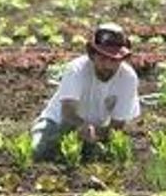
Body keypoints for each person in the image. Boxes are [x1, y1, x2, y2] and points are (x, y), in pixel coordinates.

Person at [31, 23, 141, 161]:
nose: (108, 65)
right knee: (38, 152)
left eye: (114, 60)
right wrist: (81, 126)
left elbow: (117, 125)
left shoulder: (128, 78)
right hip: (57, 122)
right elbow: (68, 112)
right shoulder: (76, 69)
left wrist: (96, 134)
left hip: (98, 128)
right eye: (102, 58)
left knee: (105, 158)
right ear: (92, 55)